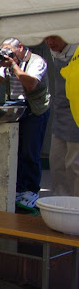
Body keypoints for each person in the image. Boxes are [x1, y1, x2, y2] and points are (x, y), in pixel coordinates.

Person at [0, 37, 51, 210]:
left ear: (21, 48)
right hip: (14, 106)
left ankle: (31, 190)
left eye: (9, 50)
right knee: (14, 150)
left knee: (30, 151)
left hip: (35, 109)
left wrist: (13, 65)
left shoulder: (37, 61)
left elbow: (31, 83)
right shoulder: (8, 62)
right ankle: (18, 188)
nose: (7, 55)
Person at [44, 35, 79, 196]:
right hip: (59, 119)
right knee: (57, 164)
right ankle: (61, 205)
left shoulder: (75, 50)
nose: (50, 43)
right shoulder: (55, 53)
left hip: (76, 118)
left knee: (74, 167)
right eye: (47, 39)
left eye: (54, 38)